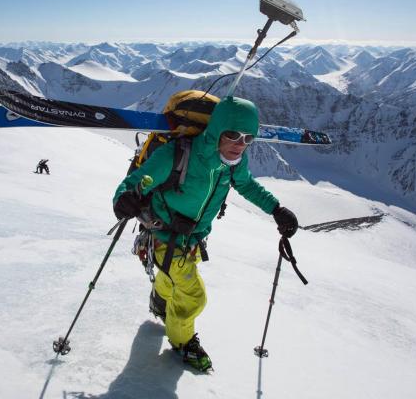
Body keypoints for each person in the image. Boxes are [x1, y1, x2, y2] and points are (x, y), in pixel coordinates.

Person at [112, 96, 299, 372]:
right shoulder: (177, 154)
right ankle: (182, 340)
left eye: (248, 138)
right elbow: (136, 181)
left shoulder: (233, 163)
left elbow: (246, 185)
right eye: (233, 135)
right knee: (193, 296)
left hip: (192, 239)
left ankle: (160, 301)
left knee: (174, 278)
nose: (240, 144)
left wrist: (276, 209)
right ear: (216, 132)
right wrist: (124, 199)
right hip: (163, 235)